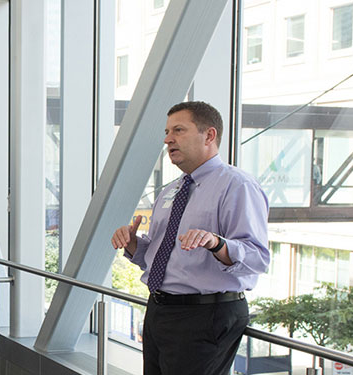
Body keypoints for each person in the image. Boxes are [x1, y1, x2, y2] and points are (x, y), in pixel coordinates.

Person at [110, 101, 269, 375]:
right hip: (160, 309)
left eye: (179, 130)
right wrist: (133, 242)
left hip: (205, 314)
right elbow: (161, 255)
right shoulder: (172, 190)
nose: (167, 139)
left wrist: (216, 243)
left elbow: (257, 257)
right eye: (167, 131)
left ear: (209, 135)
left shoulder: (237, 185)